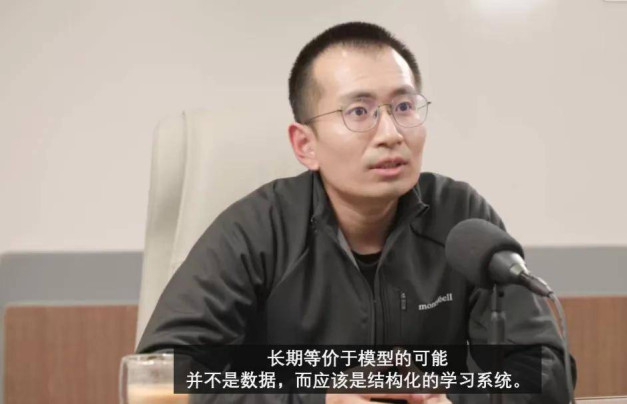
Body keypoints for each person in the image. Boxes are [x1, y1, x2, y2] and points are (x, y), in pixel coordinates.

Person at [137, 22, 576, 404]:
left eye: (403, 107)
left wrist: (450, 399)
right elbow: (159, 376)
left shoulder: (460, 219)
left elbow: (546, 369)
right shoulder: (255, 231)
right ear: (305, 144)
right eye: (359, 112)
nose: (390, 133)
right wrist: (316, 400)